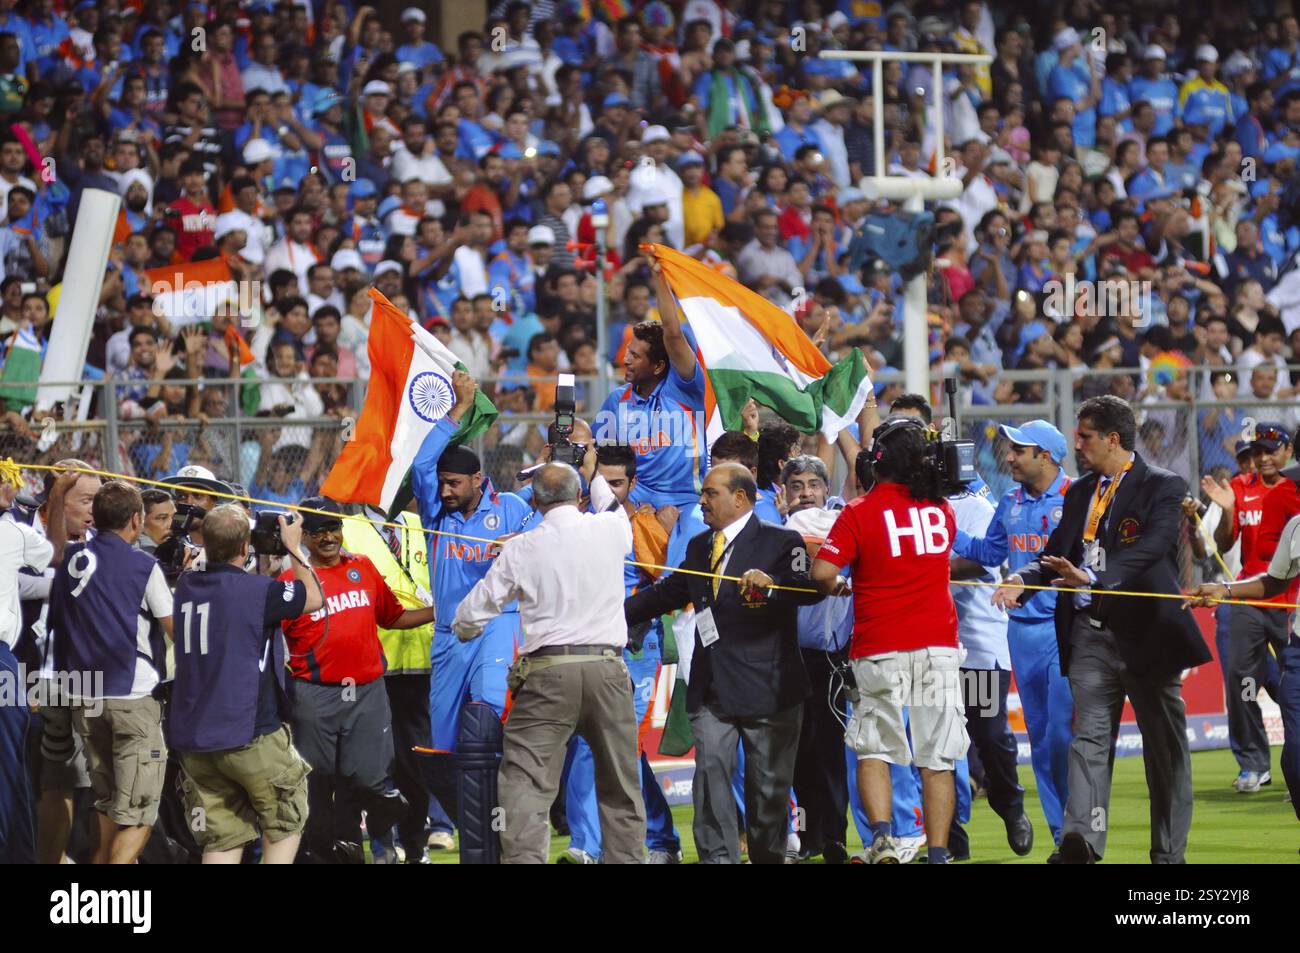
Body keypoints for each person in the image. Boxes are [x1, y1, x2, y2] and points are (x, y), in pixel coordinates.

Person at [992, 396, 1210, 864]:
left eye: (1085, 436)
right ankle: (1082, 842)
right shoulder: (1079, 491)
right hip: (1089, 633)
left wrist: (1093, 578)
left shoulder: (1163, 485)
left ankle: (1168, 853)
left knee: (1164, 751)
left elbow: (1151, 548)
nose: (1077, 444)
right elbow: (1057, 553)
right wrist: (1022, 581)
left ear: (1113, 439)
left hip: (1148, 636)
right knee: (1087, 739)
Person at [625, 463, 823, 864]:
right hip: (712, 687)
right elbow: (669, 591)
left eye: (711, 493)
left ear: (740, 498)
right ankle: (718, 858)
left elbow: (809, 588)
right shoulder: (700, 546)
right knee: (710, 778)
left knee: (768, 790)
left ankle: (768, 856)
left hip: (771, 688)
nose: (701, 500)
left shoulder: (785, 543)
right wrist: (609, 614)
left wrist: (772, 585)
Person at [453, 461, 645, 864]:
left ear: (535, 501)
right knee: (621, 785)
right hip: (608, 669)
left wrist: (461, 628)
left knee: (526, 784)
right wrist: (590, 468)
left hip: (546, 675)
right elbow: (609, 504)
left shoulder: (522, 546)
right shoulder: (610, 528)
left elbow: (470, 617)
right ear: (578, 497)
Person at [811, 417, 968, 865]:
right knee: (938, 756)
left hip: (880, 647)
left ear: (875, 461)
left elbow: (822, 573)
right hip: (937, 645)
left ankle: (882, 838)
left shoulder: (860, 511)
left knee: (874, 748)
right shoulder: (942, 511)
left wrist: (842, 584)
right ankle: (937, 854)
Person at [410, 369, 535, 836]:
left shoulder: (510, 510)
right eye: (442, 482)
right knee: (442, 734)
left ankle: (502, 812)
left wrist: (520, 542)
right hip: (447, 636)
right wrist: (457, 409)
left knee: (486, 710)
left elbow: (551, 521)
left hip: (496, 626)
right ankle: (451, 822)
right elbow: (421, 464)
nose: (445, 490)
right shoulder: (435, 514)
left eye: (455, 484)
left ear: (478, 480)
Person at [277, 497, 433, 864]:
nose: (328, 537)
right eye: (317, 532)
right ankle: (329, 853)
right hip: (315, 694)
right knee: (318, 781)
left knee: (371, 779)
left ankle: (385, 851)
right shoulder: (291, 580)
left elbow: (392, 618)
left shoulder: (362, 568)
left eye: (333, 528)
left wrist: (438, 612)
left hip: (367, 692)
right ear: (304, 537)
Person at [169, 506, 322, 863]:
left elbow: (229, 592)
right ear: (244, 547)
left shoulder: (188, 585)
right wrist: (294, 548)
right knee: (285, 823)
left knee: (222, 840)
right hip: (249, 732)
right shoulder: (258, 592)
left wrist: (261, 570)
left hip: (195, 738)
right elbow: (313, 598)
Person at [952, 419, 1074, 853]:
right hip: (1021, 635)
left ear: (1045, 455)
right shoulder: (1010, 501)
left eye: (1018, 450)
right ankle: (1064, 836)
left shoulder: (1076, 498)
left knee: (1061, 734)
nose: (1008, 458)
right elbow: (989, 553)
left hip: (1066, 631)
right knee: (1040, 739)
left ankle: (1071, 822)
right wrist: (945, 528)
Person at [559, 444, 683, 864]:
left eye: (616, 482)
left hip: (633, 647)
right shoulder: (573, 523)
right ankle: (613, 843)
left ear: (632, 483)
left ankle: (622, 843)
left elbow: (665, 586)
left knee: (619, 746)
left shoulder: (645, 525)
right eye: (602, 481)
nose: (608, 490)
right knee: (590, 743)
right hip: (586, 647)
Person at [48, 481, 175, 864]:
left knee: (106, 801)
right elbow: (176, 632)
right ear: (136, 520)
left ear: (95, 518)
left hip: (83, 696)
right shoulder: (143, 566)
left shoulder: (68, 559)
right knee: (139, 812)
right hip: (131, 696)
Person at [1187, 503, 1300, 825]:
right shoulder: (1296, 527)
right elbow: (1275, 582)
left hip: (1281, 630)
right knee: (1295, 756)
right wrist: (1225, 590)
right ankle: (1255, 763)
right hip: (1298, 652)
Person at [1199, 422, 1296, 792]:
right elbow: (1224, 545)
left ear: (1288, 451)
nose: (1263, 457)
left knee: (1293, 685)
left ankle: (1296, 766)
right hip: (1249, 596)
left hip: (1291, 602)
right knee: (1241, 681)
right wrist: (1227, 512)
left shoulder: (1295, 489)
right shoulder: (1239, 487)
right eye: (1257, 452)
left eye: (1271, 450)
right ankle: (1253, 764)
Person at [341, 502, 440, 862]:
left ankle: (417, 846)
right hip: (373, 665)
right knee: (375, 765)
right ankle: (382, 847)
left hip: (423, 661)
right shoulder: (347, 528)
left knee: (416, 765)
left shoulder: (424, 523)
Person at [0, 467, 74, 863]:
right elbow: (57, 552)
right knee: (8, 775)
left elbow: (41, 581)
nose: (8, 484)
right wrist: (59, 492)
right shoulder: (8, 532)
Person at [781, 455, 852, 864]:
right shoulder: (776, 532)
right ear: (784, 492)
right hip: (789, 658)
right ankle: (808, 837)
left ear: (827, 490)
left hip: (831, 659)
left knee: (828, 750)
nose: (806, 492)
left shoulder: (843, 526)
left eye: (813, 484)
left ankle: (834, 838)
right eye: (797, 485)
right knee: (798, 754)